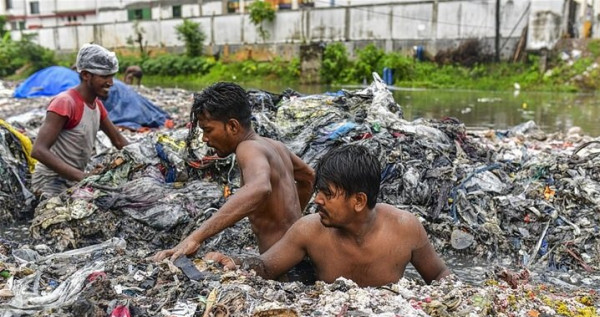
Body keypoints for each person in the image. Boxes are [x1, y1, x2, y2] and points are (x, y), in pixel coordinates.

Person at [207, 144, 450, 287]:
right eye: (318, 191)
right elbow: (267, 267)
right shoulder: (310, 230)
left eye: (328, 194)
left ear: (358, 201)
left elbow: (439, 275)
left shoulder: (405, 229)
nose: (317, 200)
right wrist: (237, 263)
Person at [153, 82, 315, 261]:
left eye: (208, 130)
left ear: (232, 126)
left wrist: (194, 238)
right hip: (298, 257)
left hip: (282, 267)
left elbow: (260, 187)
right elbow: (309, 178)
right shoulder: (276, 146)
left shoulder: (247, 148)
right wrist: (291, 227)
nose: (205, 138)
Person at [31, 43, 129, 198]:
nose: (111, 82)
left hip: (74, 179)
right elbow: (38, 150)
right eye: (104, 76)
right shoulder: (65, 103)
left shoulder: (96, 105)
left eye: (112, 76)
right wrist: (83, 177)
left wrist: (146, 157)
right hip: (50, 182)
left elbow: (118, 140)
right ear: (85, 75)